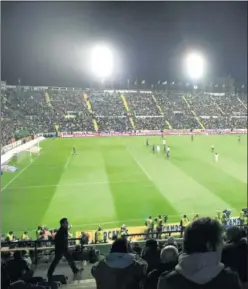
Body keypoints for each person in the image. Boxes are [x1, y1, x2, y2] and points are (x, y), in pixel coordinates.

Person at [158, 217, 242, 289]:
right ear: (209, 246)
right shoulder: (230, 279)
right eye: (221, 241)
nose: (224, 244)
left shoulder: (166, 281)